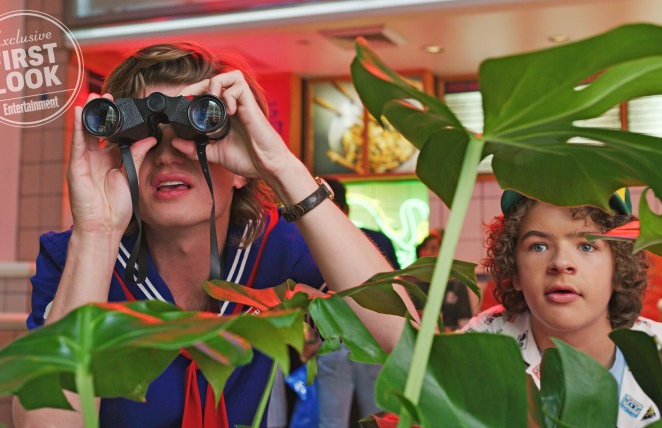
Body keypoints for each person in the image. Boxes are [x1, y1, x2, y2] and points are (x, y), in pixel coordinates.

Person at [14, 43, 413, 428]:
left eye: (196, 134)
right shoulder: (75, 255)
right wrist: (97, 233)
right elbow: (45, 424)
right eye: (142, 139)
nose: (166, 156)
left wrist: (280, 165)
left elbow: (408, 350)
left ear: (240, 170)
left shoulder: (275, 245)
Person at [462, 189, 662, 427]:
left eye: (587, 246)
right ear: (515, 271)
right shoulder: (475, 353)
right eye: (539, 246)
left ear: (619, 267)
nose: (561, 263)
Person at [317, 178, 399, 428]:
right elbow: (397, 294)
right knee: (378, 418)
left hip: (334, 338)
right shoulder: (376, 241)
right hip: (370, 339)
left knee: (332, 420)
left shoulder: (314, 243)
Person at [411, 232, 473, 331]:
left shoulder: (457, 285)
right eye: (424, 249)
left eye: (433, 249)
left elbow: (465, 324)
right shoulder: (413, 287)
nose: (428, 254)